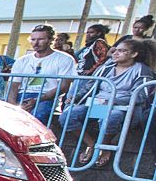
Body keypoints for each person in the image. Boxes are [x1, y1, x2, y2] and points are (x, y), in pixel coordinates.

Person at [59, 38, 155, 166]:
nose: (115, 53)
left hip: (122, 107)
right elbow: (91, 85)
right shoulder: (107, 66)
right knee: (68, 116)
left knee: (112, 117)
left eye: (122, 51)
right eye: (116, 50)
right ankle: (91, 144)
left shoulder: (141, 70)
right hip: (98, 103)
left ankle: (104, 146)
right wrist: (77, 97)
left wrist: (112, 100)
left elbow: (141, 95)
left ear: (134, 54)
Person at [7, 24, 78, 122]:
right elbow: (13, 86)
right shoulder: (22, 60)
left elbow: (64, 86)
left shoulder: (65, 59)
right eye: (33, 39)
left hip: (47, 97)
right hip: (22, 94)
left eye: (40, 39)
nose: (36, 43)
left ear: (50, 40)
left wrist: (37, 100)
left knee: (36, 118)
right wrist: (13, 105)